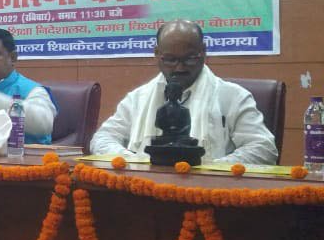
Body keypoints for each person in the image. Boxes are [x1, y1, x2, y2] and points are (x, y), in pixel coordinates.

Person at [90, 20, 278, 164]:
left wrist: (209, 168)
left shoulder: (233, 97)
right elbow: (102, 139)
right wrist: (138, 162)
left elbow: (264, 148)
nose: (179, 68)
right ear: (157, 54)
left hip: (208, 191)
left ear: (203, 52)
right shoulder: (138, 98)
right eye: (170, 60)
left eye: (189, 59)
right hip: (145, 186)